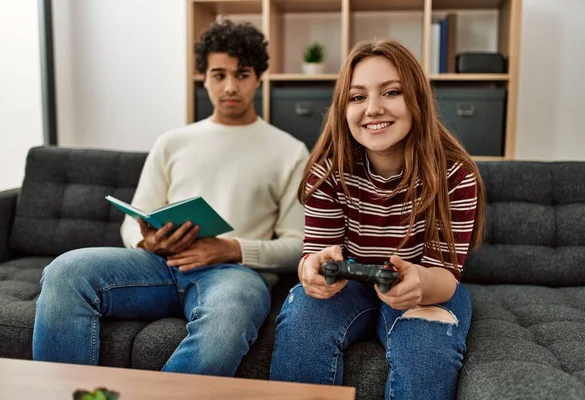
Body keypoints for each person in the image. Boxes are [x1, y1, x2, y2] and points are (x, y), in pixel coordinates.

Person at [32, 19, 309, 376]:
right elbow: (131, 226)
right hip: (160, 266)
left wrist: (231, 248)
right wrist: (147, 242)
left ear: (258, 78)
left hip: (233, 274)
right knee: (65, 270)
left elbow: (299, 245)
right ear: (204, 78)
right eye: (218, 74)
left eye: (242, 74)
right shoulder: (173, 142)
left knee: (228, 316)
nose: (230, 86)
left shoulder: (289, 151)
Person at [269, 38, 485, 400]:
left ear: (416, 99)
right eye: (357, 97)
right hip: (348, 286)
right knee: (302, 325)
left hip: (425, 285)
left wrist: (419, 283)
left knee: (426, 351)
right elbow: (316, 254)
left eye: (391, 92)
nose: (372, 108)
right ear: (343, 108)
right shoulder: (329, 172)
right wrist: (311, 270)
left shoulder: (455, 174)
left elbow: (445, 276)